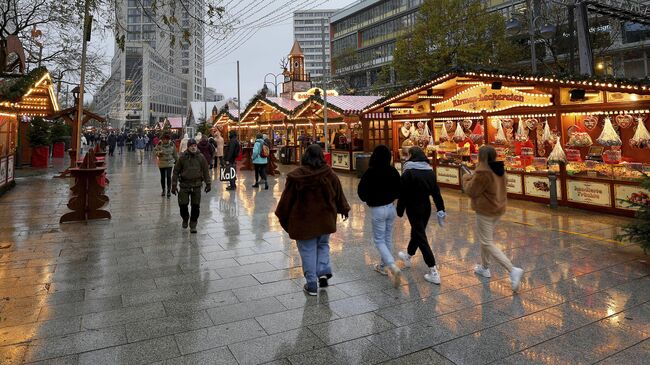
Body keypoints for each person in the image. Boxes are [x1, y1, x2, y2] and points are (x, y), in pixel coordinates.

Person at [275, 144, 350, 296]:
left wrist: (282, 215)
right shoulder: (330, 174)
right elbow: (338, 194)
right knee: (323, 245)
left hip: (304, 222)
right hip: (325, 220)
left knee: (308, 250)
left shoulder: (296, 176)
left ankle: (311, 284)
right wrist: (344, 209)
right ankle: (322, 272)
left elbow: (286, 200)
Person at [462, 145, 524, 292]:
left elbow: (472, 191)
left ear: (481, 157)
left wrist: (466, 178)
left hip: (485, 210)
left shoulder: (483, 172)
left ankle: (512, 269)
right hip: (498, 209)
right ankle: (484, 267)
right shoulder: (499, 168)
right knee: (485, 239)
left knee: (487, 241)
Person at [396, 146, 446, 285]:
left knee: (421, 236)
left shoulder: (408, 172)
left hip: (413, 207)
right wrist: (441, 209)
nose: (407, 157)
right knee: (418, 232)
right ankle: (408, 256)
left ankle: (433, 270)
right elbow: (436, 193)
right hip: (426, 207)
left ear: (412, 156)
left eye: (408, 154)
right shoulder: (430, 171)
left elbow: (403, 194)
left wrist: (399, 210)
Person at [357, 145, 402, 287]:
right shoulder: (392, 170)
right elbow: (399, 189)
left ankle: (391, 265)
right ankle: (383, 266)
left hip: (377, 210)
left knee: (379, 240)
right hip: (391, 208)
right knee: (387, 237)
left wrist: (368, 199)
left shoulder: (371, 172)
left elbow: (361, 191)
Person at [171, 139, 211, 233]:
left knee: (195, 206)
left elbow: (205, 171)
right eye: (191, 146)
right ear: (188, 147)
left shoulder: (201, 157)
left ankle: (193, 224)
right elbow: (176, 171)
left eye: (195, 146)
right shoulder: (182, 157)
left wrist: (208, 183)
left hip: (197, 185)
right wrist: (174, 185)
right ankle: (185, 218)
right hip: (184, 185)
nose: (193, 147)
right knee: (183, 205)